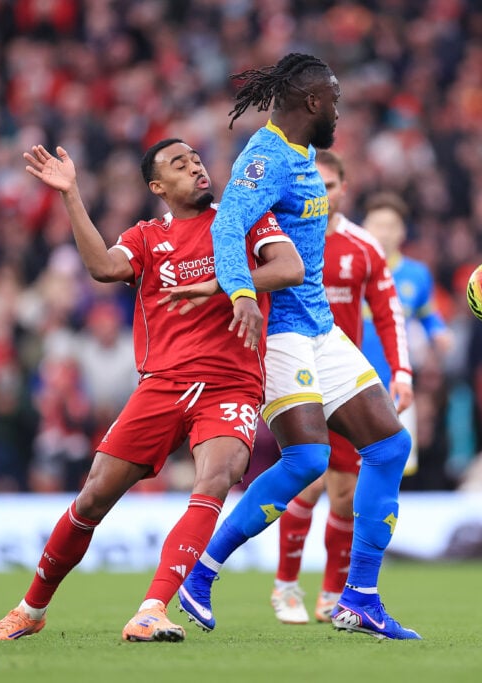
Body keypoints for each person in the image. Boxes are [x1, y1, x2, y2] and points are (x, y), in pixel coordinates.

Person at [0, 139, 303, 642]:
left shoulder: (240, 216)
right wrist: (71, 195)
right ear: (157, 186)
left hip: (231, 383)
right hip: (163, 385)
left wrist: (228, 284)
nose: (195, 167)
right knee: (92, 498)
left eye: (196, 159)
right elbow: (104, 268)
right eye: (179, 164)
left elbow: (290, 268)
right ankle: (30, 610)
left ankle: (152, 610)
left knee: (216, 478)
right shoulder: (148, 236)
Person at [169, 53, 421, 640]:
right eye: (334, 99)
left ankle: (359, 597)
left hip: (320, 328)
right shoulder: (266, 157)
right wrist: (240, 293)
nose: (338, 110)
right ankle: (201, 574)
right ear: (312, 102)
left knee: (390, 446)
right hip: (281, 333)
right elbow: (227, 224)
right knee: (307, 461)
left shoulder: (302, 154)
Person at [270, 150, 413, 625]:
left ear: (343, 189)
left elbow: (389, 313)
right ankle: (286, 585)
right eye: (314, 184)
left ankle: (333, 593)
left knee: (347, 493)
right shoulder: (280, 238)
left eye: (329, 185)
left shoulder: (363, 247)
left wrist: (402, 372)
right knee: (308, 480)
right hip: (296, 376)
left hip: (342, 382)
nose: (322, 193)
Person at [360, 192, 452, 476]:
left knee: (396, 467)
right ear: (364, 227)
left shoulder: (417, 274)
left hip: (396, 383)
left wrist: (439, 332)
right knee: (348, 466)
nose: (384, 232)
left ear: (402, 232)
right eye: (378, 224)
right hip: (352, 382)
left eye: (391, 226)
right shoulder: (349, 269)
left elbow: (428, 314)